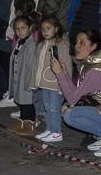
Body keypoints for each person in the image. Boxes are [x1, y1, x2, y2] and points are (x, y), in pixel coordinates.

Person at [57, 28, 101, 157]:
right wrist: (65, 73)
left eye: (82, 43)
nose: (76, 46)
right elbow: (76, 94)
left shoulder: (97, 71)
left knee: (69, 115)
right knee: (70, 109)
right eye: (76, 42)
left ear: (93, 46)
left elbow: (73, 99)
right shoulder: (93, 64)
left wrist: (60, 74)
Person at [30, 15, 72, 144]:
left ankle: (57, 132)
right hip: (44, 83)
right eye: (43, 29)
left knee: (54, 108)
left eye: (48, 28)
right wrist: (34, 82)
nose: (45, 31)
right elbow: (36, 65)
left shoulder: (62, 45)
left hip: (56, 84)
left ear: (56, 29)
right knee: (47, 107)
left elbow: (67, 65)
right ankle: (50, 129)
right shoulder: (42, 44)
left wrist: (64, 86)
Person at [7, 15, 39, 135]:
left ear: (30, 28)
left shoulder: (31, 45)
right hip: (18, 77)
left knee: (27, 103)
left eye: (23, 28)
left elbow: (31, 66)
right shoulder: (19, 42)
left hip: (26, 79)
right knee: (21, 101)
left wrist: (30, 83)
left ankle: (30, 122)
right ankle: (22, 119)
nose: (20, 31)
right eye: (17, 29)